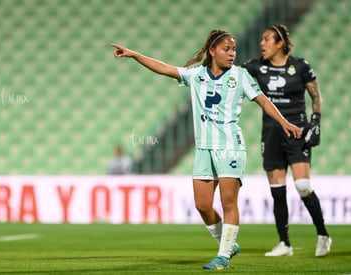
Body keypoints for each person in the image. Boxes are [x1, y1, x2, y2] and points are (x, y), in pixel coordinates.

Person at [111, 29, 301, 270]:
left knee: (228, 202)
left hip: (229, 147)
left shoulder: (240, 76)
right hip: (203, 149)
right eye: (226, 49)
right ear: (212, 51)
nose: (232, 53)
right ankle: (228, 244)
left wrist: (284, 122)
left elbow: (263, 100)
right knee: (202, 205)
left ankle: (223, 256)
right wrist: (133, 54)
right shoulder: (197, 75)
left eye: (234, 49)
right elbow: (165, 68)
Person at [242, 24, 331, 257]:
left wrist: (316, 121)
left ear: (280, 43)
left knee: (302, 186)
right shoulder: (256, 66)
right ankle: (285, 244)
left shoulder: (300, 67)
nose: (262, 44)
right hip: (271, 132)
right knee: (277, 190)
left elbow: (316, 95)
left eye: (266, 40)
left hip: (297, 131)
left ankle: (323, 234)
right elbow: (233, 74)